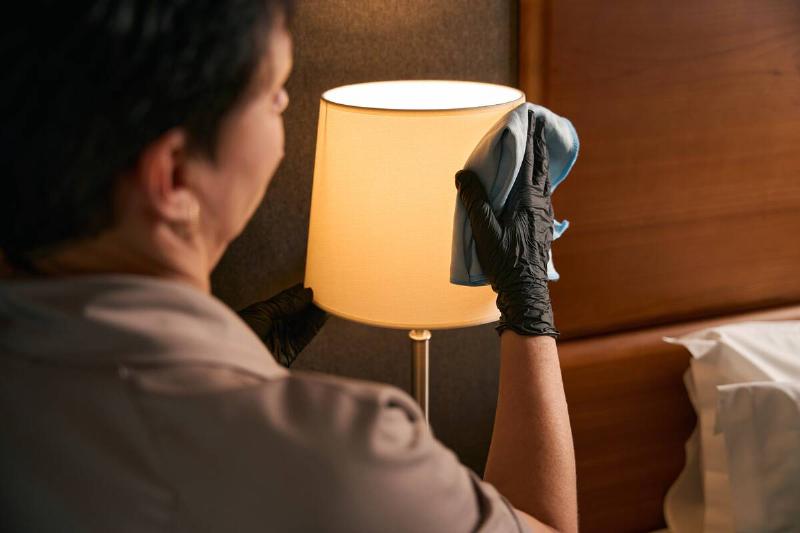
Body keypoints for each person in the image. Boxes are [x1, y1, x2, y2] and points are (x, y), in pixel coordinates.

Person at [0, 1, 578, 531]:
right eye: (274, 94)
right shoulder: (346, 456)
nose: (284, 116)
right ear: (174, 177)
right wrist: (528, 306)